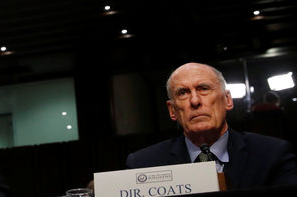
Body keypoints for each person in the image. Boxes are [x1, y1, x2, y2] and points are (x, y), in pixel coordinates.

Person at [126, 62, 297, 189]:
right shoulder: (143, 165)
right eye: (183, 93)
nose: (194, 101)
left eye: (204, 88)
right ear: (172, 110)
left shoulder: (273, 155)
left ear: (227, 100)